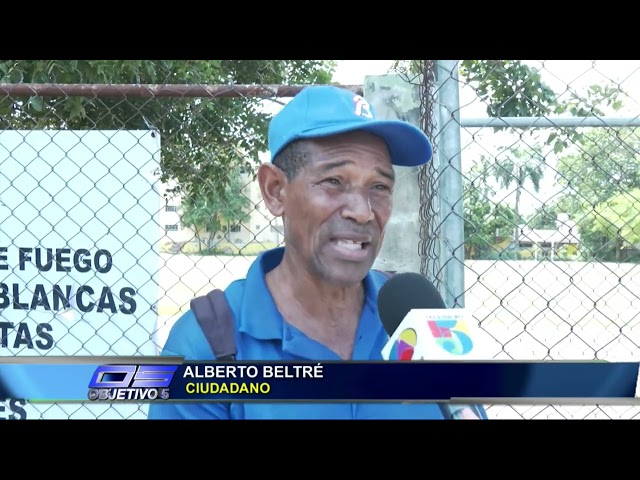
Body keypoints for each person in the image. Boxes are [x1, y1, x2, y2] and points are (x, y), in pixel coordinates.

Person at [148, 85, 487, 420]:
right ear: (275, 190)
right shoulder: (207, 345)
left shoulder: (417, 318)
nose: (363, 211)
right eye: (334, 181)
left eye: (379, 187)